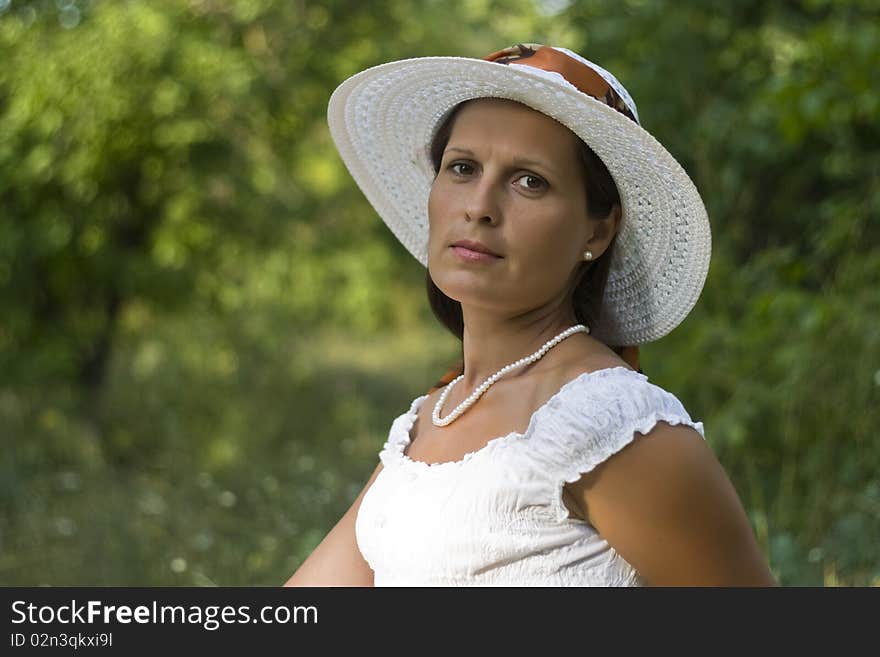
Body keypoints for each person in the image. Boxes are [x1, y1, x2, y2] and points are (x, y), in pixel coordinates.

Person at [284, 43, 776, 586]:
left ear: (597, 229)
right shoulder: (432, 417)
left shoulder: (611, 423)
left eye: (529, 181)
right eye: (463, 168)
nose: (480, 206)